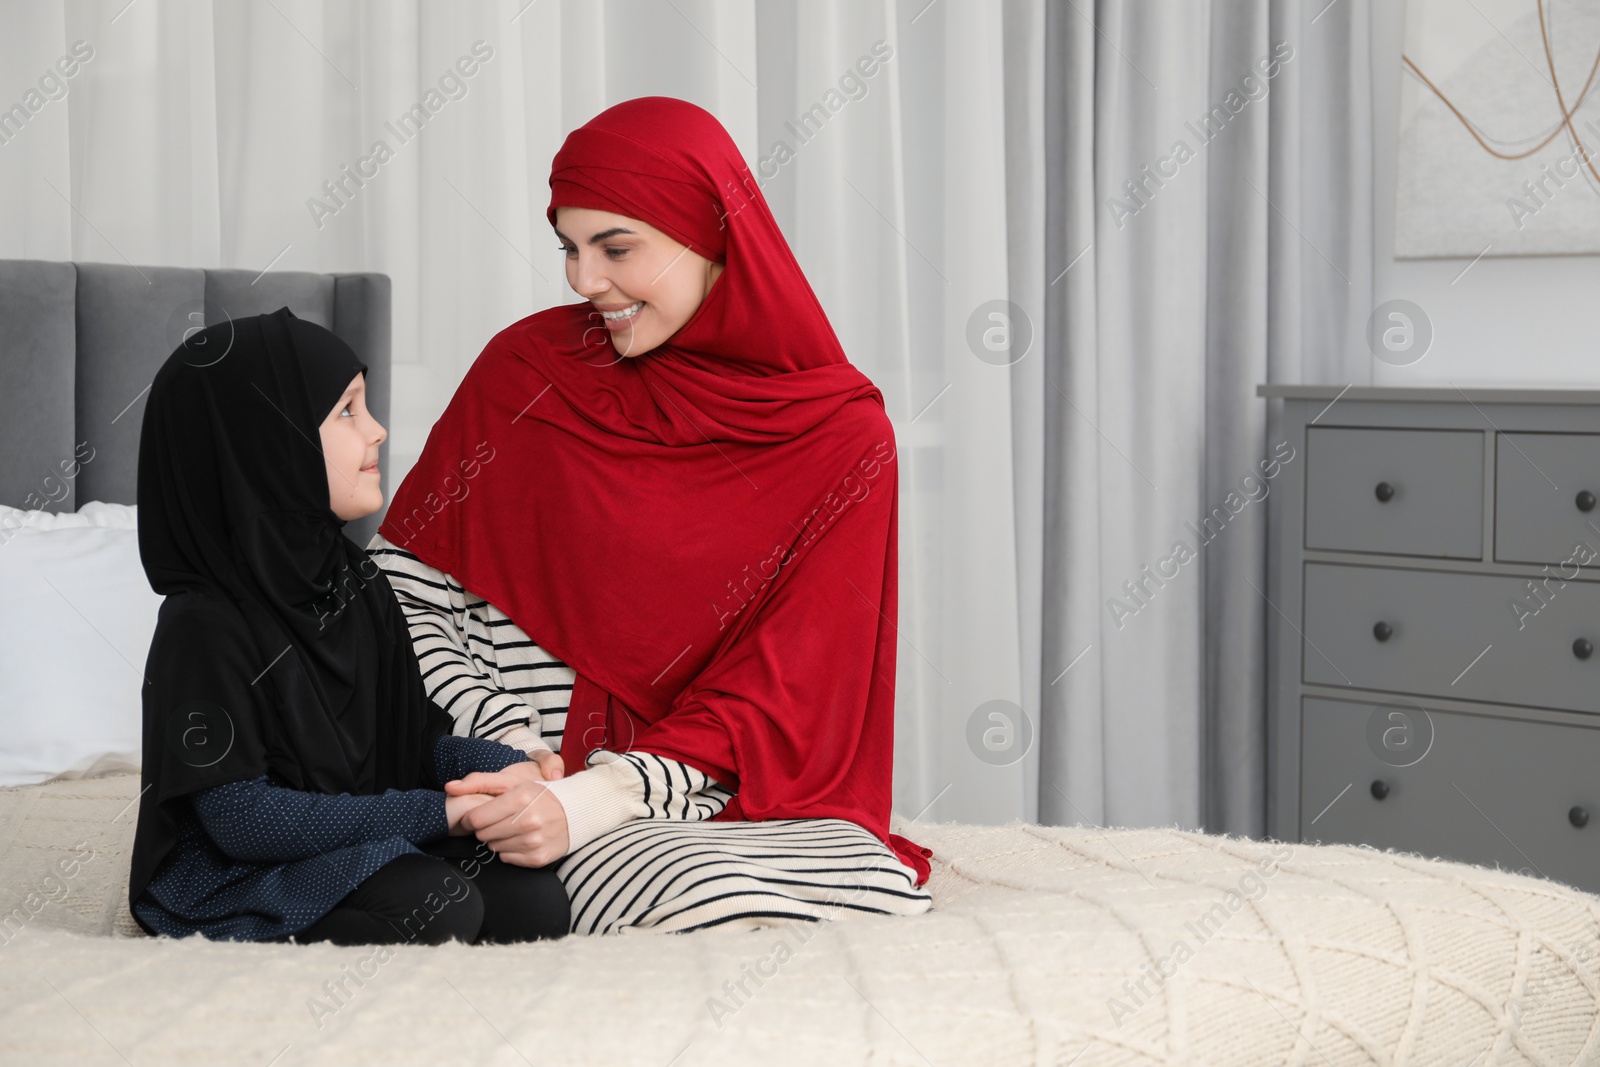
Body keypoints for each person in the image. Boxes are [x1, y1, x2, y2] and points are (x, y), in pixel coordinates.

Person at [366, 95, 935, 936]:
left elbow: (790, 692)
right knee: (686, 899)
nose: (583, 280)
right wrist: (510, 757)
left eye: (616, 247)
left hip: (700, 792)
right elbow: (402, 597)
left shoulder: (845, 439)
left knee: (869, 887)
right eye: (570, 247)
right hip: (507, 788)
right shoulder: (526, 373)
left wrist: (600, 794)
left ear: (713, 236)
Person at [127, 307, 569, 945]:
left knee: (533, 903)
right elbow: (242, 820)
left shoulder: (360, 585)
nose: (380, 430)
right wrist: (444, 813)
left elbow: (413, 747)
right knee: (439, 904)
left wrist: (510, 767)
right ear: (266, 444)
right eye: (348, 411)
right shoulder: (204, 625)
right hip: (241, 869)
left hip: (361, 836)